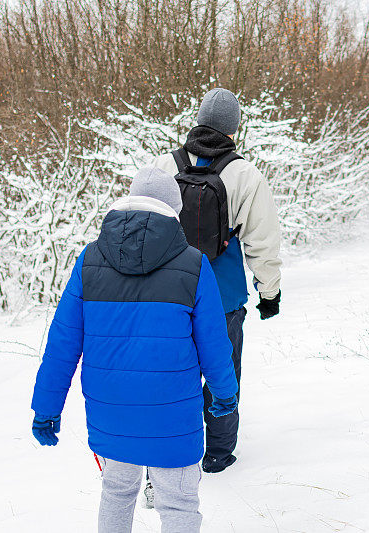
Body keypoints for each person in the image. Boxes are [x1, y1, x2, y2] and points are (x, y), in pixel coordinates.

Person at [30, 167, 240, 533]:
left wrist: (46, 409)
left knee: (116, 494)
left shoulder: (89, 261)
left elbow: (62, 343)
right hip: (173, 415)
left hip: (111, 414)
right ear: (175, 211)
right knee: (178, 504)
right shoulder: (193, 265)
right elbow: (214, 341)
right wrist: (224, 394)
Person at [150, 88, 282, 474]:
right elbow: (263, 241)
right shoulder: (245, 174)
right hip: (221, 296)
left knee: (173, 374)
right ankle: (218, 455)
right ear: (233, 129)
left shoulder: (163, 164)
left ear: (199, 119)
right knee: (223, 374)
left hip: (166, 293)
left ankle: (173, 452)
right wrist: (269, 292)